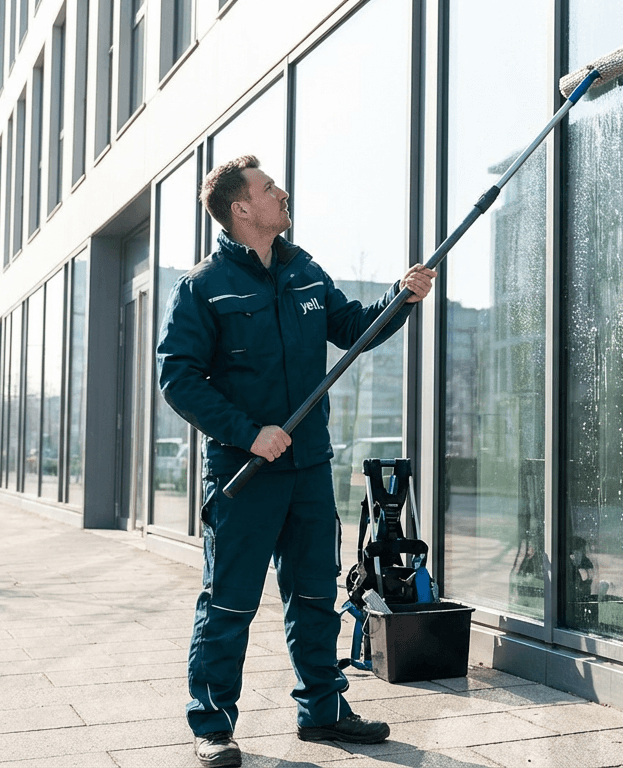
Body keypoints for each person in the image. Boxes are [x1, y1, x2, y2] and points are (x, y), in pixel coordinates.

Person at [157, 154, 435, 768]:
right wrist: (248, 432)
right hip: (244, 475)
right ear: (241, 208)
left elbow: (354, 329)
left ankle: (324, 710)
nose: (282, 193)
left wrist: (401, 297)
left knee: (313, 594)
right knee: (229, 601)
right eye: (269, 188)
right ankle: (213, 726)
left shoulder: (305, 271)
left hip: (308, 468)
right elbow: (177, 378)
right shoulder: (204, 286)